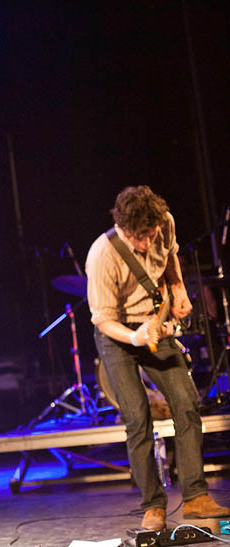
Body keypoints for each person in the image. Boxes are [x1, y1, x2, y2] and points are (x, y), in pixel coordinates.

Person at [86, 185, 229, 531]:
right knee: (137, 417)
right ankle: (153, 505)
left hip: (155, 323)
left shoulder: (164, 222)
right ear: (122, 228)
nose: (147, 243)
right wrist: (134, 336)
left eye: (151, 235)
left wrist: (178, 289)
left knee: (187, 402)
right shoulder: (102, 255)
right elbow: (103, 320)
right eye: (139, 238)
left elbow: (171, 257)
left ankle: (195, 496)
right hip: (117, 334)